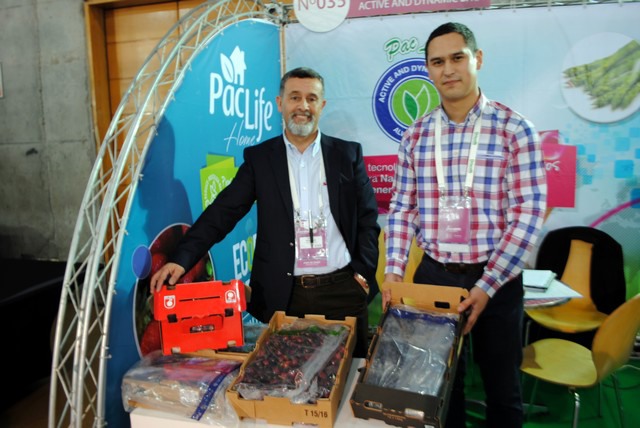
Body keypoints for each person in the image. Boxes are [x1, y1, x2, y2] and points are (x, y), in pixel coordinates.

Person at [151, 67, 380, 358]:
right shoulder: (261, 159)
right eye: (294, 97)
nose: (303, 106)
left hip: (343, 292)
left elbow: (367, 219)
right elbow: (224, 211)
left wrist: (362, 274)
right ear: (280, 103)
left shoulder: (347, 155)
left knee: (348, 375)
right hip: (286, 295)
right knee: (286, 375)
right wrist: (182, 258)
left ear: (322, 105)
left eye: (311, 98)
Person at [383, 23, 547, 427]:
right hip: (434, 276)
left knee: (502, 390)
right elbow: (402, 208)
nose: (448, 69)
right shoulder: (416, 136)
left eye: (457, 58)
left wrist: (487, 286)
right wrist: (393, 272)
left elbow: (528, 214)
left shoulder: (514, 129)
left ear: (478, 59)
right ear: (428, 69)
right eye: (437, 62)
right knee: (437, 387)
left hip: (497, 281)